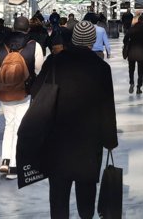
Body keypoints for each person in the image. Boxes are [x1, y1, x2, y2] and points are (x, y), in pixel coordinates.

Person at [30, 21, 118, 219]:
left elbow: (35, 91)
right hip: (88, 143)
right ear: (93, 41)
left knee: (58, 195)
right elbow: (107, 107)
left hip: (57, 140)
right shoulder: (101, 68)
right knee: (86, 193)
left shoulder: (54, 62)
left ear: (74, 39)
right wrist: (110, 140)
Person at [0, 16, 45, 180]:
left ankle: (5, 159)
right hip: (25, 92)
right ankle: (14, 165)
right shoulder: (34, 46)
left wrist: (3, 83)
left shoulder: (1, 45)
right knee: (20, 126)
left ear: (13, 28)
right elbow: (40, 69)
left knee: (9, 124)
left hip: (5, 93)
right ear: (28, 29)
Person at [123, 16, 143, 95]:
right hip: (141, 52)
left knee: (131, 70)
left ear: (138, 21)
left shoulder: (131, 29)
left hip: (131, 52)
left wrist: (128, 45)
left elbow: (124, 40)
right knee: (140, 71)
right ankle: (139, 87)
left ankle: (131, 83)